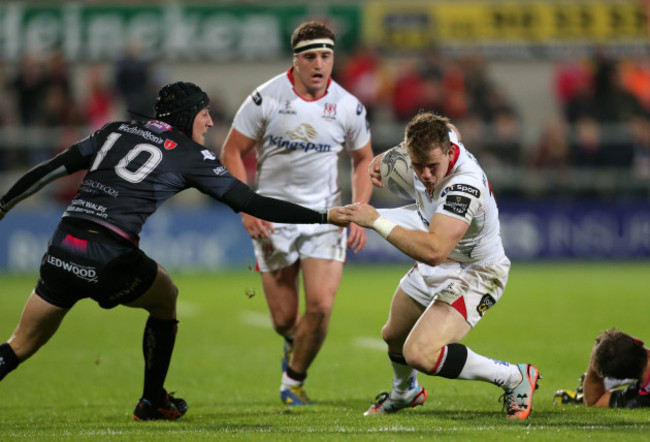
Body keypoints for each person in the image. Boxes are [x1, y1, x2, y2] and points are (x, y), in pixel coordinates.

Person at [0, 82, 347, 421]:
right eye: (205, 113)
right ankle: (152, 400)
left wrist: (2, 207)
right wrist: (324, 215)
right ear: (187, 115)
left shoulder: (114, 131)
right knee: (166, 297)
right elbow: (252, 202)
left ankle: (153, 398)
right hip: (110, 255)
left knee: (20, 344)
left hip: (64, 244)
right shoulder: (190, 154)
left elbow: (48, 171)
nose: (210, 122)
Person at [337, 111, 540, 419]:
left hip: (477, 271)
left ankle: (515, 376)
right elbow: (447, 127)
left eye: (433, 166)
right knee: (393, 335)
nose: (426, 174)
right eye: (418, 165)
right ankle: (406, 392)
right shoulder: (439, 141)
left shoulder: (464, 185)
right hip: (443, 255)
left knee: (419, 353)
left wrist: (376, 220)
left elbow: (433, 251)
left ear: (449, 152)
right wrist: (389, 155)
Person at [219, 21, 373, 405]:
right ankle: (293, 344)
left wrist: (359, 209)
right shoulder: (265, 99)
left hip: (327, 217)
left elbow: (363, 159)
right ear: (296, 60)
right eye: (310, 57)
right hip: (274, 217)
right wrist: (246, 208)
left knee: (320, 306)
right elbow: (231, 152)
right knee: (285, 320)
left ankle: (293, 381)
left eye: (326, 56)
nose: (319, 64)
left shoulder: (349, 106)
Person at [558, 328, 650, 408]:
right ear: (638, 341)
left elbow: (594, 401)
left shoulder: (639, 398)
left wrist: (594, 364)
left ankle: (607, 383)